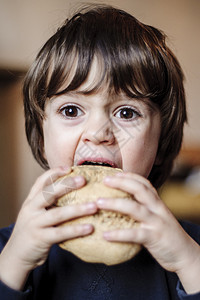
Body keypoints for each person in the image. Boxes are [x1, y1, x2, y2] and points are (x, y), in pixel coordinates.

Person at [0, 4, 199, 299]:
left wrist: (190, 263)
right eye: (71, 109)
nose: (98, 133)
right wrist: (14, 265)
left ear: (160, 141)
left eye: (127, 113)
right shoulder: (10, 248)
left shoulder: (189, 247)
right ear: (41, 136)